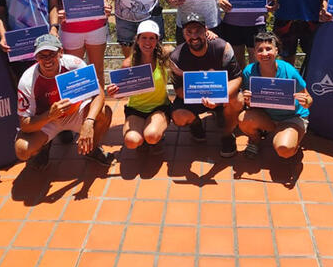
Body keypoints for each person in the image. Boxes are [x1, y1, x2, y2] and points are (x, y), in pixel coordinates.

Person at [14, 34, 114, 169]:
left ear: (61, 52)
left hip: (75, 112)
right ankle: (44, 146)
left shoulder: (74, 64)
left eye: (51, 54)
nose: (47, 60)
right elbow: (25, 124)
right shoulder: (27, 80)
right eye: (42, 56)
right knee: (22, 150)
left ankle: (92, 149)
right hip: (47, 120)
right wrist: (49, 115)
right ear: (36, 57)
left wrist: (89, 122)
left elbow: (98, 92)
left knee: (104, 113)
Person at [169, 13, 244, 158]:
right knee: (178, 116)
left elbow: (237, 78)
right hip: (194, 97)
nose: (194, 36)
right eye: (189, 32)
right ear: (184, 34)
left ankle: (227, 135)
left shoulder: (223, 48)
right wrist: (202, 96)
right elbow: (178, 90)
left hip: (220, 96)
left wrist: (218, 98)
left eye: (198, 30)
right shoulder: (176, 57)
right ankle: (195, 124)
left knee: (238, 100)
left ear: (206, 30)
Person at [238, 32, 312, 159]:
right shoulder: (249, 71)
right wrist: (247, 100)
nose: (265, 54)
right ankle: (256, 140)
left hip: (292, 117)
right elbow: (250, 102)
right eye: (260, 50)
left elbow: (309, 99)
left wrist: (305, 102)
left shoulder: (289, 70)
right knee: (243, 119)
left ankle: (291, 139)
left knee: (284, 149)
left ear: (276, 50)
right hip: (267, 117)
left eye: (268, 49)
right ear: (254, 53)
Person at [105, 20, 171, 154]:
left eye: (152, 38)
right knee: (131, 141)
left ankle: (155, 137)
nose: (148, 42)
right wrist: (113, 92)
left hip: (160, 107)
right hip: (136, 108)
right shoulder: (128, 64)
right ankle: (144, 134)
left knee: (151, 136)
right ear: (137, 39)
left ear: (157, 40)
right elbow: (121, 93)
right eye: (144, 37)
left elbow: (186, 49)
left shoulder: (164, 57)